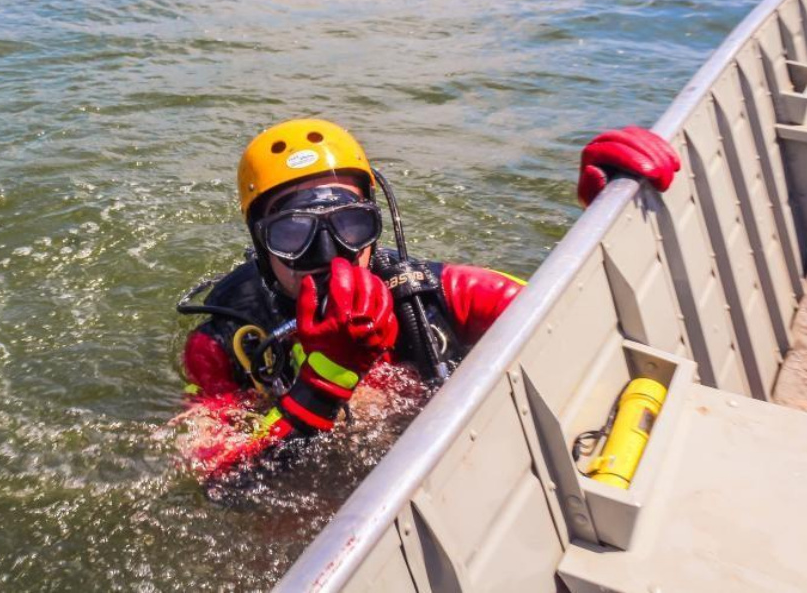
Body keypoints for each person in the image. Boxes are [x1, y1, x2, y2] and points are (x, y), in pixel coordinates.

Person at [175, 119, 679, 480]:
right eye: (293, 233)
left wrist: (607, 217)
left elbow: (579, 317)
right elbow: (212, 477)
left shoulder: (438, 295)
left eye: (351, 225)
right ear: (261, 244)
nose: (330, 256)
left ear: (377, 220)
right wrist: (322, 386)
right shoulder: (227, 339)